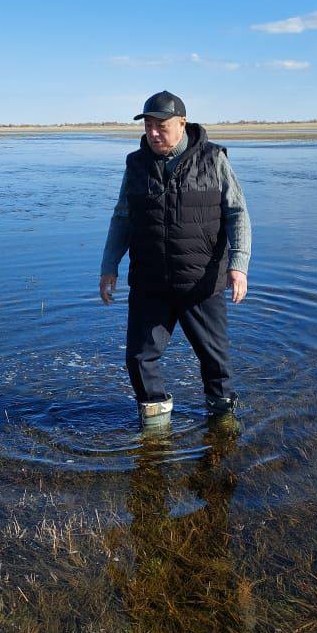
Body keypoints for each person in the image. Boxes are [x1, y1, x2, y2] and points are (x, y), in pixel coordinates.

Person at [99, 90, 251, 427]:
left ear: (182, 123)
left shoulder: (213, 159)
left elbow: (237, 214)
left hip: (201, 284)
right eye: (148, 125)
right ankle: (155, 427)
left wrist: (238, 265)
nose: (153, 133)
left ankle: (222, 423)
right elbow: (122, 217)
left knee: (216, 361)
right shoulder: (136, 165)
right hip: (151, 283)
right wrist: (109, 266)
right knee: (139, 358)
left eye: (161, 126)